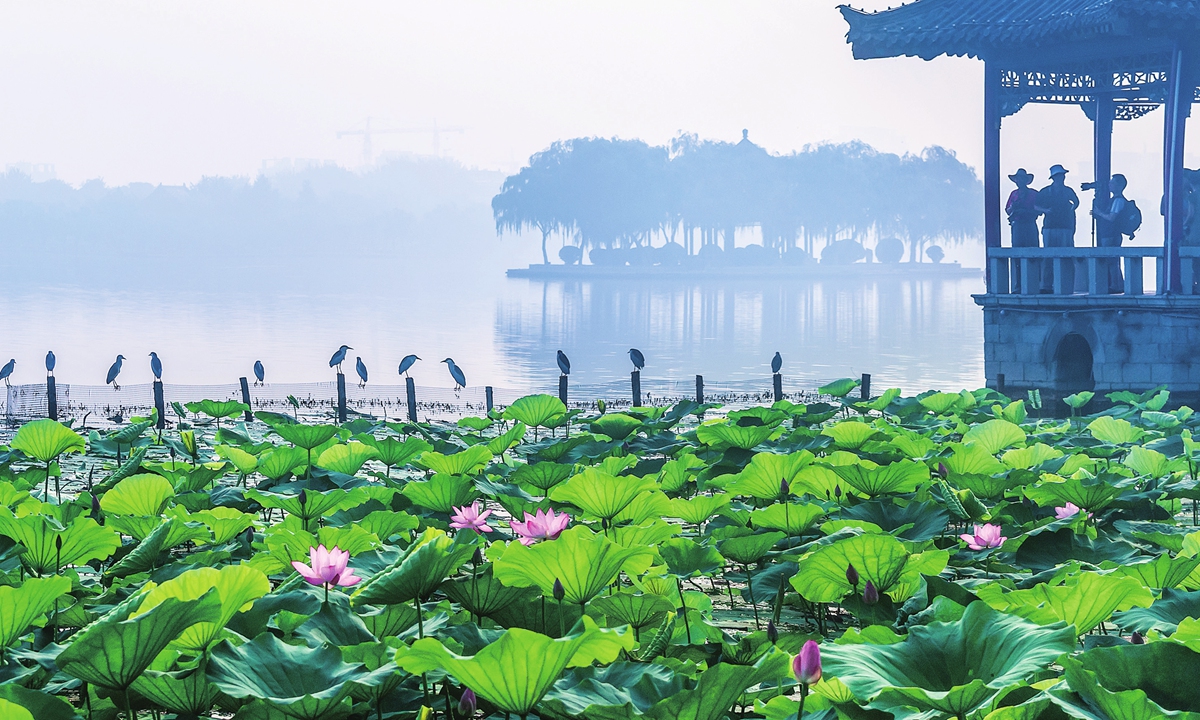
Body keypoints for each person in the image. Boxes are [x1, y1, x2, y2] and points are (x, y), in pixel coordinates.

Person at [1036, 164, 1080, 293]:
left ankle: (1066, 285)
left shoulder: (1068, 191)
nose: (1062, 177)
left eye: (1063, 175)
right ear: (1054, 178)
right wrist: (1046, 210)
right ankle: (1046, 286)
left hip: (1065, 227)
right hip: (1050, 227)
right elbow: (1035, 206)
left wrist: (1071, 209)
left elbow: (1076, 202)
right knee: (1048, 257)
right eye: (1060, 175)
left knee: (1066, 256)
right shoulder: (1045, 191)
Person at [1090, 174, 1132, 293]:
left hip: (1111, 234)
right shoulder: (1114, 200)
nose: (1110, 185)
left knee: (1112, 261)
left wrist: (1099, 213)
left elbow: (1112, 217)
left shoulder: (1118, 200)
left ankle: (1115, 285)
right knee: (1113, 261)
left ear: (1119, 186)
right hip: (1110, 234)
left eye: (1112, 183)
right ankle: (1118, 284)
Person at [1005, 168, 1039, 290]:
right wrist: (1014, 207)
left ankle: (1034, 283)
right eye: (1018, 179)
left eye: (1021, 179)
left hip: (1030, 224)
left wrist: (1026, 211)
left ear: (1025, 180)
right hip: (1017, 226)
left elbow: (1039, 210)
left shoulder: (1034, 194)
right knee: (1017, 255)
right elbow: (1008, 211)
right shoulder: (1013, 194)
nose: (1019, 181)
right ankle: (1019, 284)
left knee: (1033, 254)